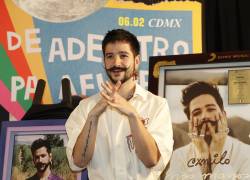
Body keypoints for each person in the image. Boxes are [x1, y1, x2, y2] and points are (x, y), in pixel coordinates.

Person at [65, 29, 173, 179]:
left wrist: (132, 114)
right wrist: (93, 117)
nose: (116, 63)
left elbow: (152, 160)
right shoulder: (86, 107)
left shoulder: (157, 105)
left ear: (136, 61)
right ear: (104, 61)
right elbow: (78, 163)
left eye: (123, 56)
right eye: (110, 56)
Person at [165, 81, 250, 180]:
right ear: (190, 122)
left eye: (210, 109)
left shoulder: (246, 153)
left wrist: (217, 157)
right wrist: (202, 161)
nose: (205, 116)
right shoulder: (179, 156)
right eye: (197, 112)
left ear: (224, 115)